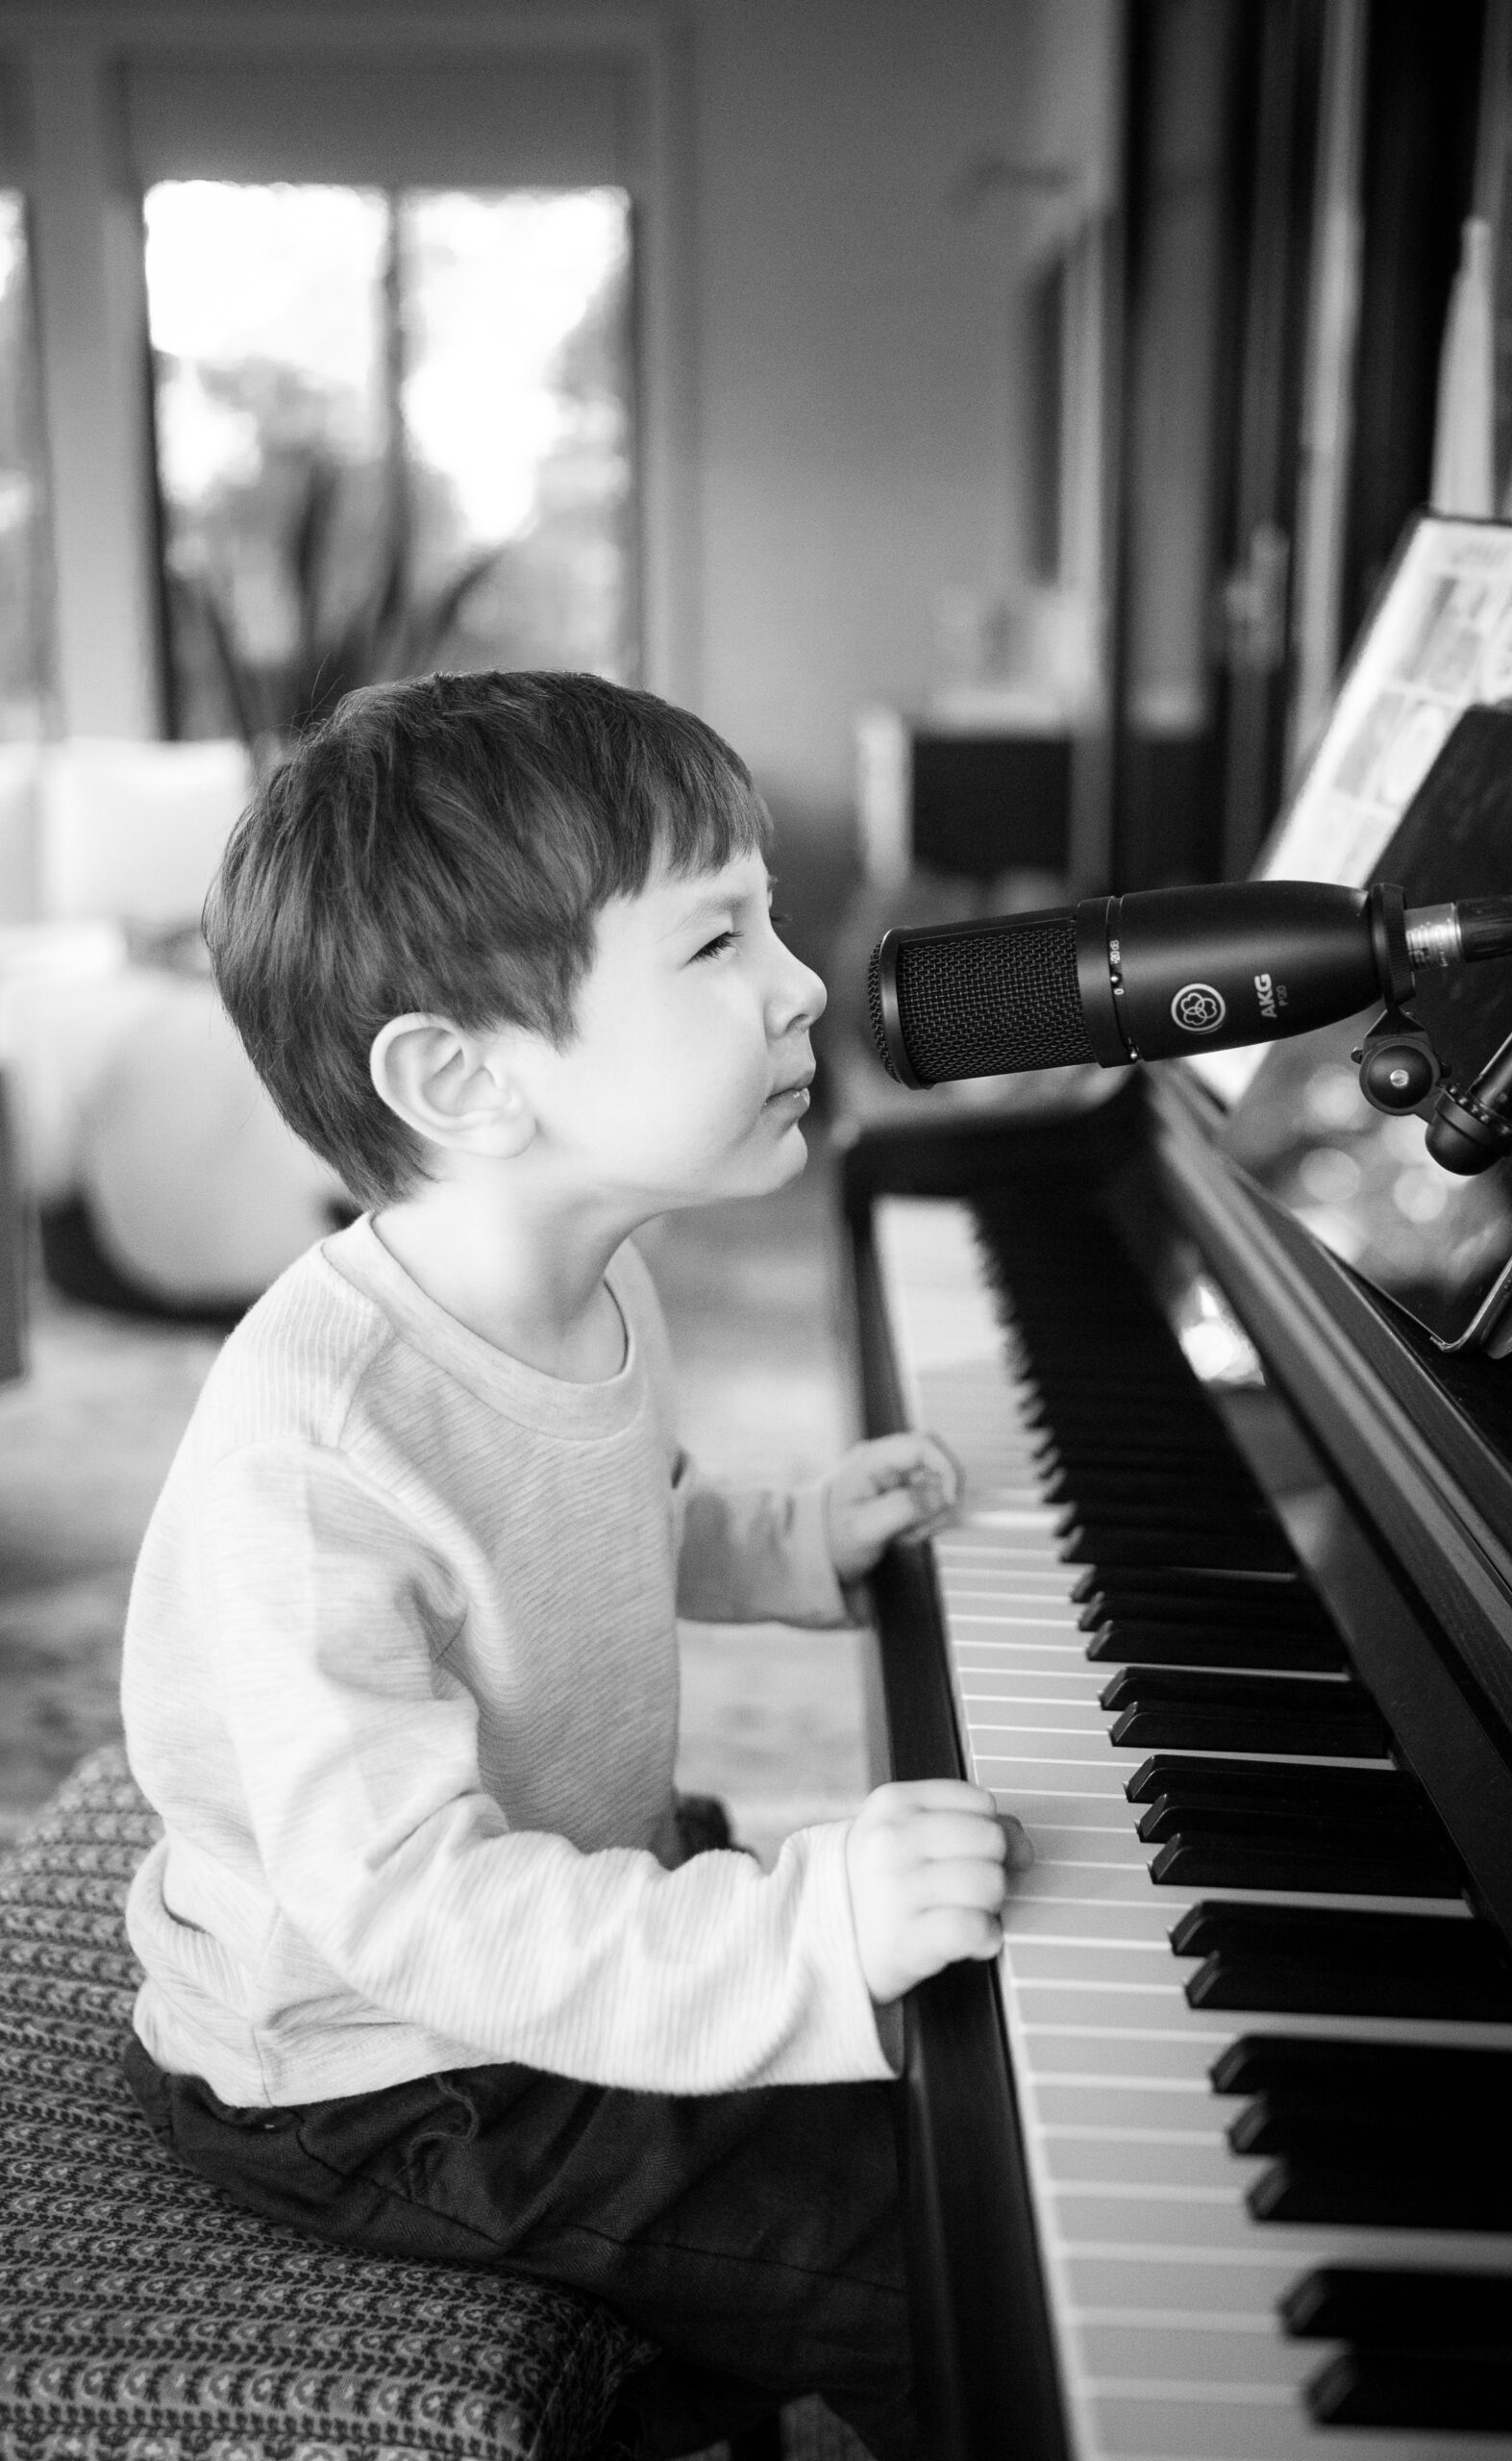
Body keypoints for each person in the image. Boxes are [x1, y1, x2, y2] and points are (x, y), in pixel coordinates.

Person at [119, 671, 1031, 2461]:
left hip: (553, 1890)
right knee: (934, 2254)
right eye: (716, 944)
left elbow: (593, 1518)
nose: (798, 983)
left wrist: (780, 1541)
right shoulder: (320, 1448)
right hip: (382, 2065)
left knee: (941, 2091)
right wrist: (810, 1924)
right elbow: (409, 1908)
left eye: (769, 917)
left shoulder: (587, 1270)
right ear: (462, 1077)